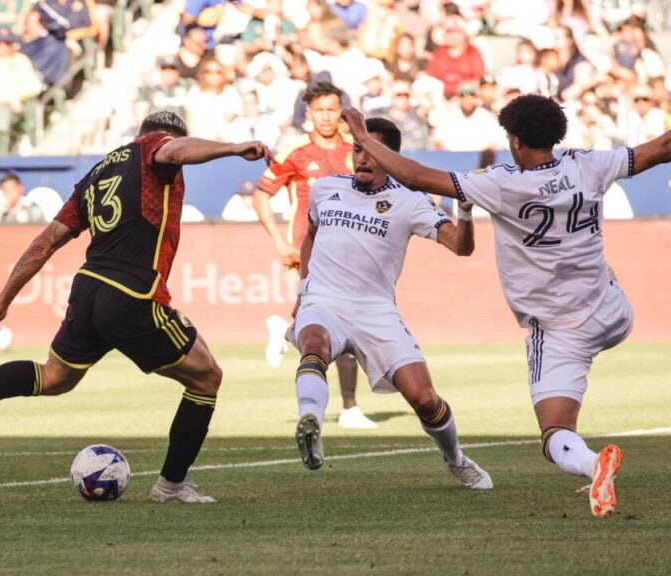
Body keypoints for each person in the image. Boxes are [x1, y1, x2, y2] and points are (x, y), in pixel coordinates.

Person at [0, 110, 273, 504]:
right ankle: (170, 486)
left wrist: (3, 299)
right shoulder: (155, 149)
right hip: (132, 293)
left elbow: (46, 241)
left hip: (89, 288)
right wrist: (233, 148)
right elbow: (174, 150)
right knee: (206, 378)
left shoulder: (96, 175)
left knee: (55, 377)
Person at [341, 94, 671, 517]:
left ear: (515, 141)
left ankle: (593, 465)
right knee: (599, 270)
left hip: (557, 330)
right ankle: (598, 277)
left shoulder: (501, 184)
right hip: (612, 311)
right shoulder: (590, 164)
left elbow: (415, 176)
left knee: (555, 433)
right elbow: (662, 148)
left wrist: (362, 136)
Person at [290, 116, 491, 491]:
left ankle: (456, 459)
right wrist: (302, 292)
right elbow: (310, 237)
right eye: (357, 149)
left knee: (424, 399)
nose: (362, 158)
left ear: (391, 157)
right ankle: (311, 423)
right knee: (313, 344)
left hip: (375, 310)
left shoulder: (410, 200)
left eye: (372, 151)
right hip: (324, 301)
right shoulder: (326, 188)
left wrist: (465, 211)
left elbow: (461, 247)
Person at [253, 81, 376, 430]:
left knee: (333, 323)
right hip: (312, 250)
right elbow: (260, 197)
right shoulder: (295, 151)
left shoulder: (356, 149)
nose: (326, 117)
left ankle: (286, 329)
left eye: (332, 110)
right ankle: (350, 408)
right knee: (343, 320)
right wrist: (280, 242)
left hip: (351, 247)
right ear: (308, 113)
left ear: (342, 113)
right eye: (319, 110)